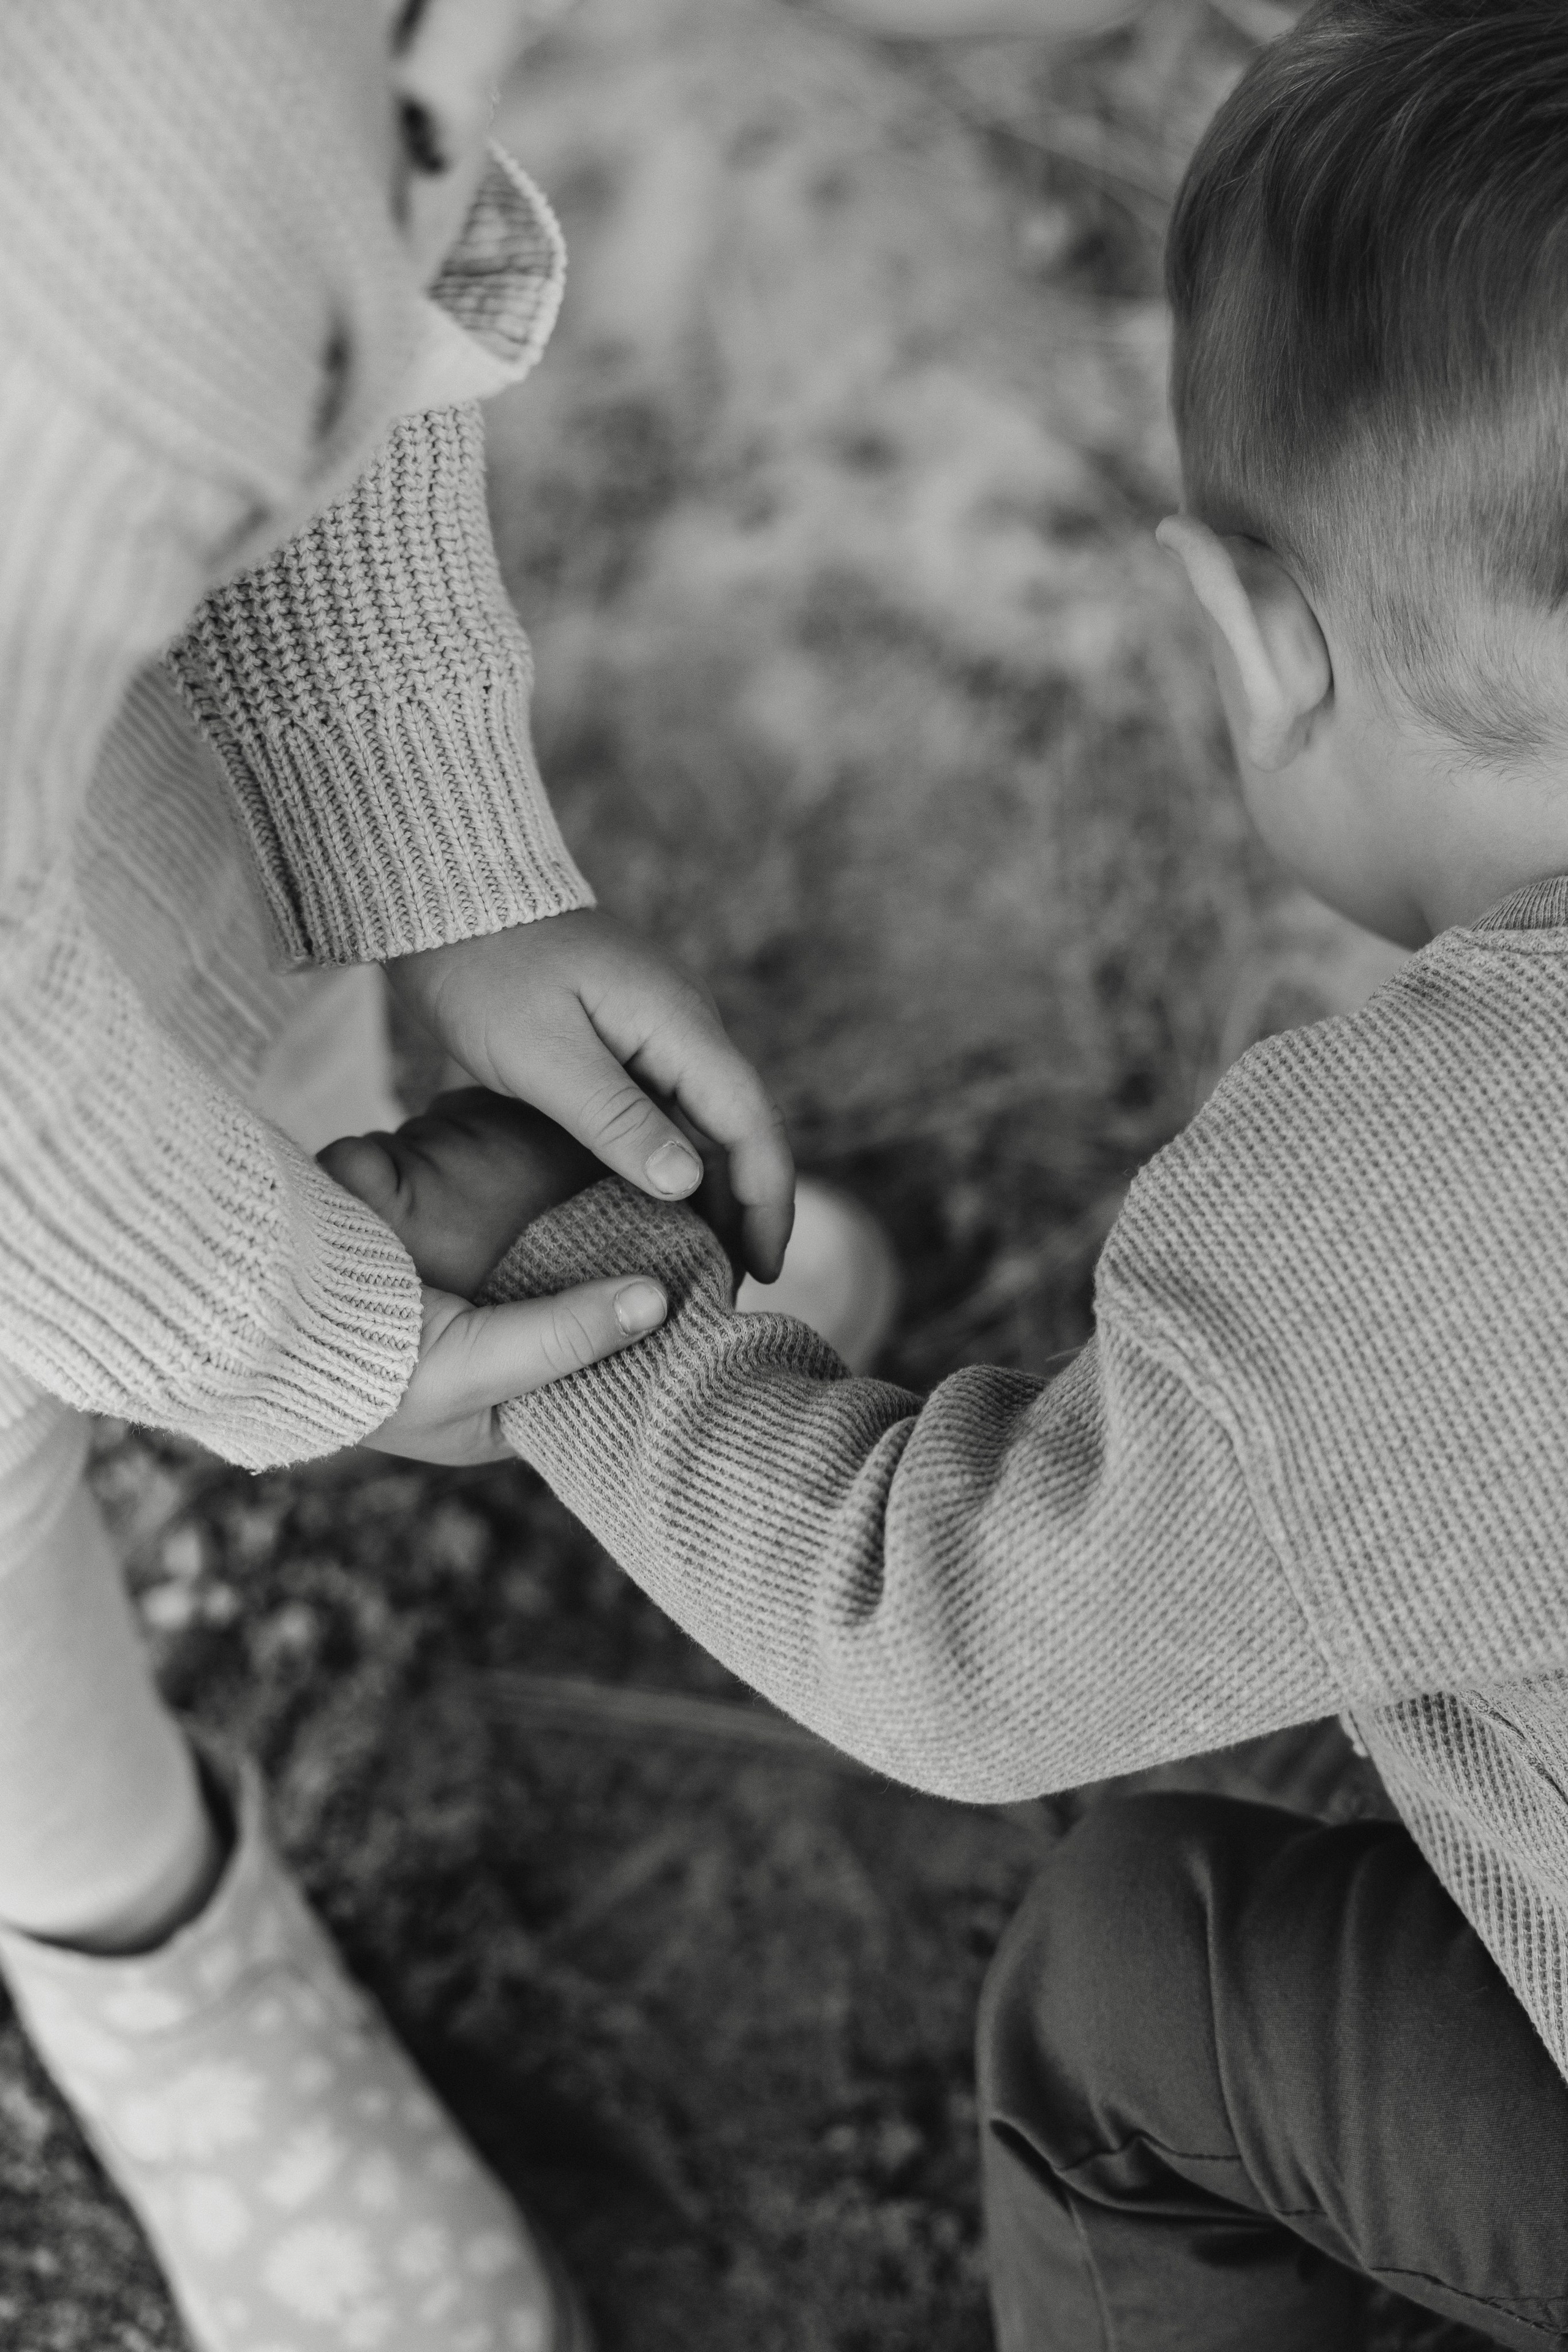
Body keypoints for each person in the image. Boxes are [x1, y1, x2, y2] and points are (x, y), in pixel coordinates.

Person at [326, 3, 1568, 2342]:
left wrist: (588, 1291)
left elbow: (961, 1643)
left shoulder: (1390, 1227)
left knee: (1135, 1993)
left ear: (1255, 641)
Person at [0, 2, 826, 2346]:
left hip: (72, 756)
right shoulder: (101, 224)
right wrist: (281, 1331)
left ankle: (381, 1209)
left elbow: (325, 268)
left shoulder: (201, 135)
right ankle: (135, 1941)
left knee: (231, 982)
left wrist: (437, 854)